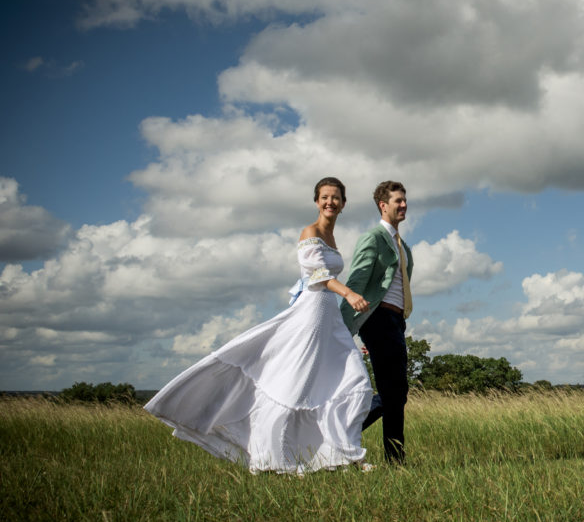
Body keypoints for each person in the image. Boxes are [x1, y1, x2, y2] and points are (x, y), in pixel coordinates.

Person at [144, 177, 376, 475]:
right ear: (317, 201)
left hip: (329, 316)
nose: (330, 202)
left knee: (354, 381)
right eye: (324, 197)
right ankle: (273, 458)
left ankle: (341, 455)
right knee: (298, 385)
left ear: (344, 204)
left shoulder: (332, 238)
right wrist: (349, 293)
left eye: (336, 198)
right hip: (313, 312)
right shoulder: (310, 232)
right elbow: (317, 275)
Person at [342, 180, 413, 464]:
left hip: (395, 321)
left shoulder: (403, 246)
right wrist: (347, 327)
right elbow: (357, 279)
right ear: (383, 205)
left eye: (405, 200)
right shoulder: (373, 237)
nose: (404, 205)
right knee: (393, 392)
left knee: (395, 393)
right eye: (398, 200)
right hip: (379, 317)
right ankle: (342, 434)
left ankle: (394, 459)